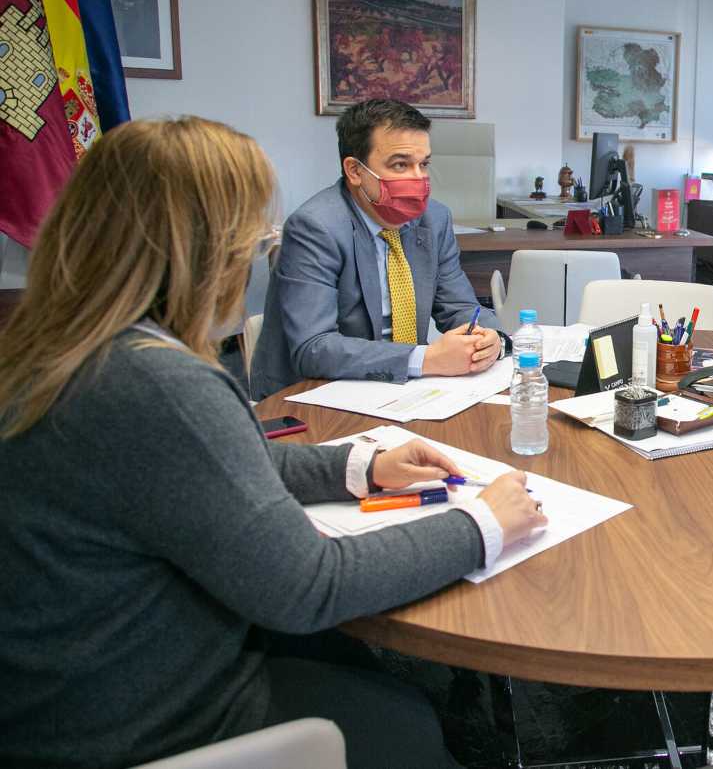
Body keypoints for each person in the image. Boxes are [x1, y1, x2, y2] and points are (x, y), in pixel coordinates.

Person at [0, 117, 547, 769]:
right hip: (137, 721)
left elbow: (217, 466)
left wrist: (360, 464)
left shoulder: (67, 346)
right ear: (199, 248)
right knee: (407, 722)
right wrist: (483, 523)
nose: (257, 255)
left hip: (64, 685)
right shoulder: (161, 383)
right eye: (252, 235)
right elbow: (309, 586)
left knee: (348, 662)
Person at [250, 98, 506, 400]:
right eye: (400, 164)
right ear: (355, 171)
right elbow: (314, 347)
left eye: (423, 164)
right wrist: (426, 359)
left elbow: (461, 307)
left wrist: (492, 338)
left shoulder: (434, 219)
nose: (418, 178)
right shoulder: (315, 227)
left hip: (406, 392)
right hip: (316, 395)